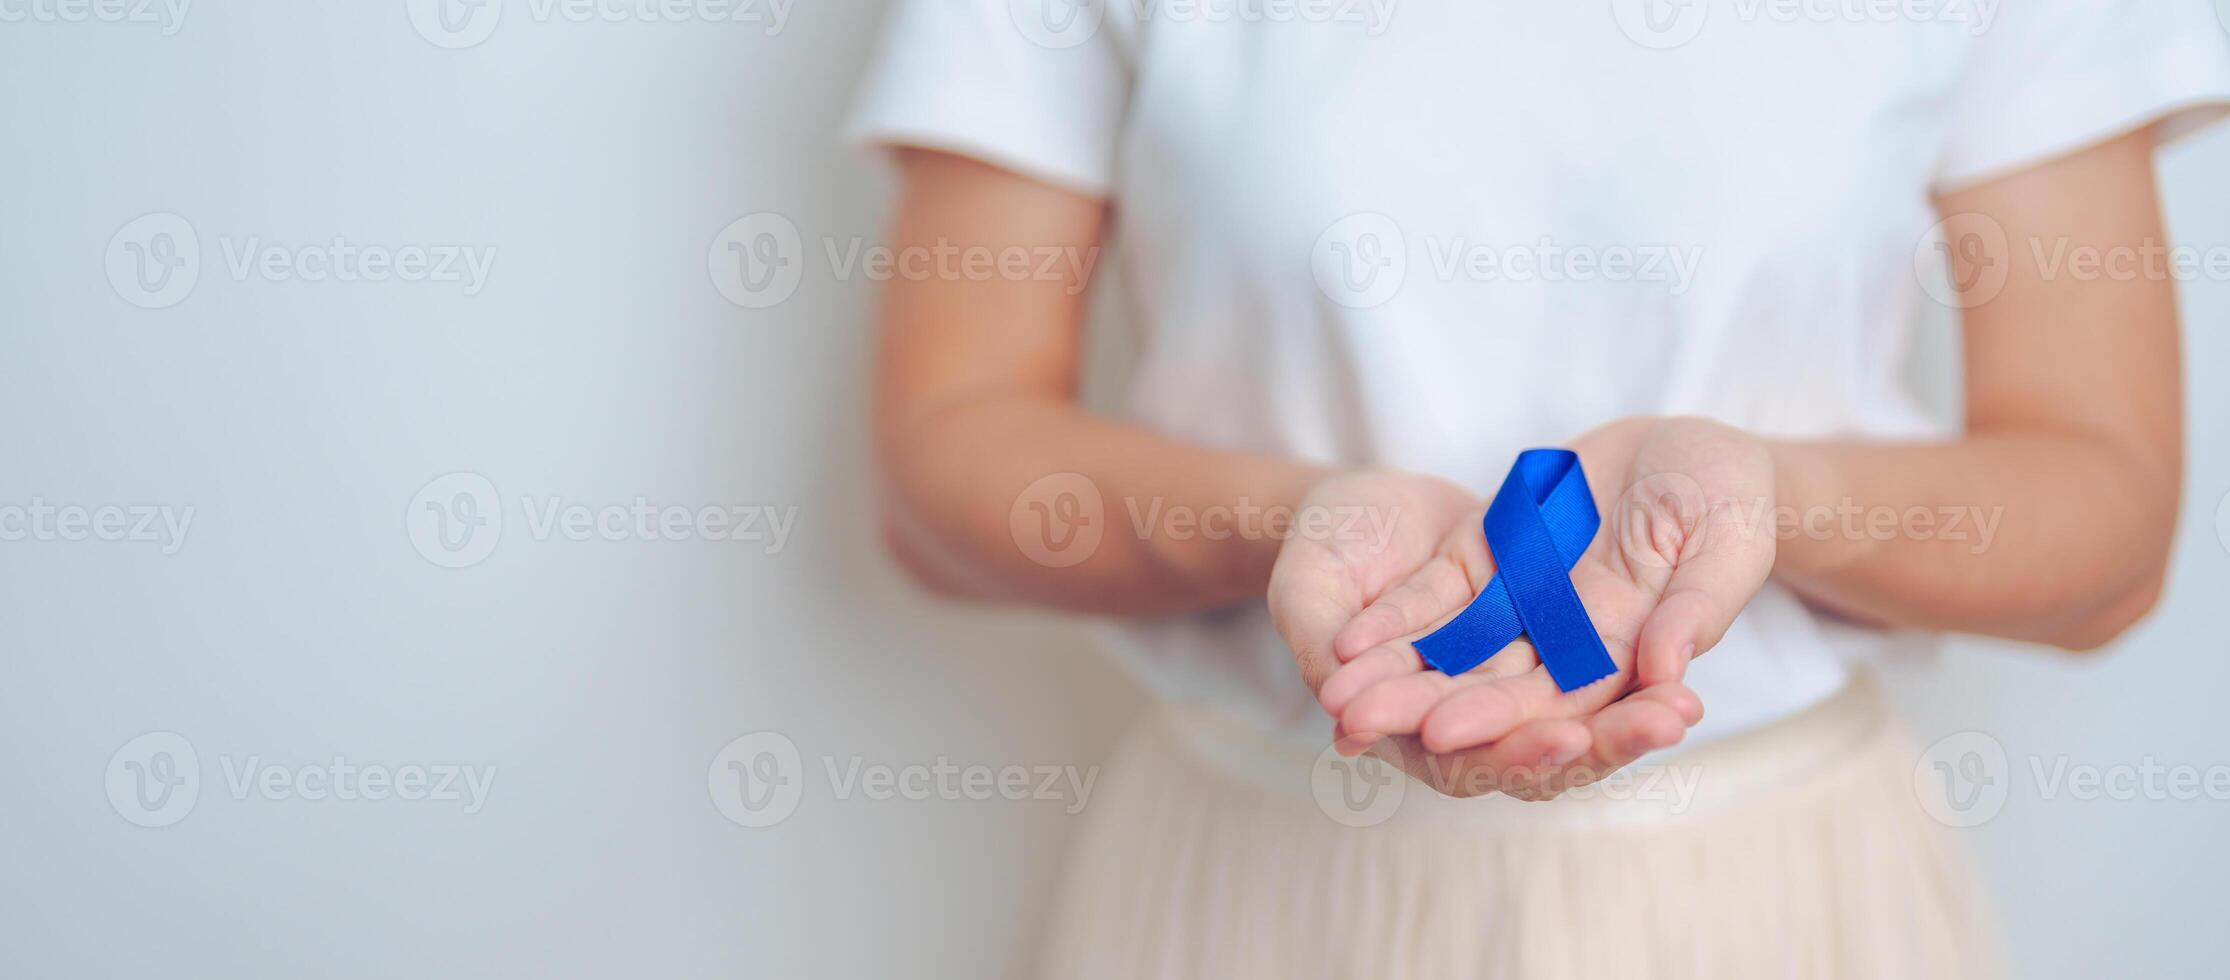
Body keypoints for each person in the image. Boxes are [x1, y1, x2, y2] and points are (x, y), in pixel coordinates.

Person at [850, 2, 2230, 977]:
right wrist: (1293, 521)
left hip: (1773, 900)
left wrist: (1766, 504)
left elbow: (2107, 528)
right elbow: (943, 461)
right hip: (1258, 887)